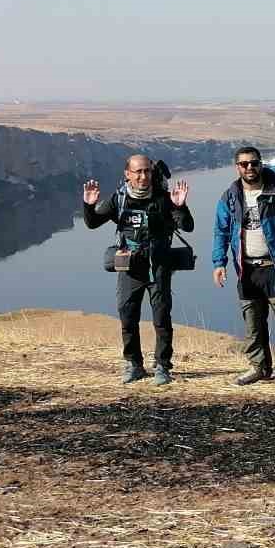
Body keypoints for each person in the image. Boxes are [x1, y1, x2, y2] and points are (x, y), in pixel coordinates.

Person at [83, 155, 193, 385]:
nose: (144, 176)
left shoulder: (163, 198)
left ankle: (163, 366)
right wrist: (89, 205)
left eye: (147, 171)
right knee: (128, 316)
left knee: (161, 318)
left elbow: (187, 226)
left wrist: (180, 206)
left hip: (158, 265)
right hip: (130, 266)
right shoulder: (119, 199)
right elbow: (92, 223)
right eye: (138, 172)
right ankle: (134, 364)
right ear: (128, 174)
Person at [211, 146, 275, 386]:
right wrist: (219, 262)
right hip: (247, 270)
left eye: (254, 163)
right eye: (244, 164)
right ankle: (259, 367)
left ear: (261, 164)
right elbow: (221, 231)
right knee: (253, 324)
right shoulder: (230, 197)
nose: (250, 168)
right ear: (237, 167)